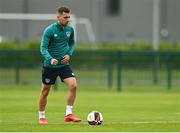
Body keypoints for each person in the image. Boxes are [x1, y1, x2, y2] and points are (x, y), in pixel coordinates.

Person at [38, 6, 81, 124]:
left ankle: (69, 114)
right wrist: (50, 58)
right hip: (49, 66)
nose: (67, 19)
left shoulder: (70, 30)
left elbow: (72, 43)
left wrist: (69, 54)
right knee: (45, 91)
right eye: (65, 17)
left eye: (68, 17)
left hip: (64, 65)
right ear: (58, 17)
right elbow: (43, 48)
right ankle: (41, 116)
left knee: (73, 85)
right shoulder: (49, 30)